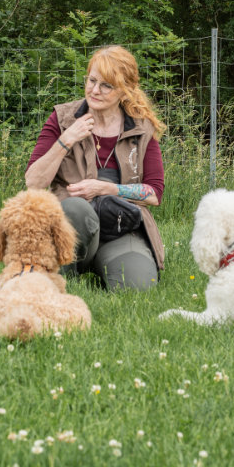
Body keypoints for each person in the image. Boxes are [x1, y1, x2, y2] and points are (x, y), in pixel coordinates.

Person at [24, 44, 166, 290]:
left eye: (106, 85)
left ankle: (105, 263)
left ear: (125, 91)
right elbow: (34, 182)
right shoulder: (63, 118)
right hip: (71, 227)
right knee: (77, 209)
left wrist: (106, 188)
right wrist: (67, 139)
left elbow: (154, 193)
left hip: (121, 228)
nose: (94, 90)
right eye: (91, 80)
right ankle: (64, 274)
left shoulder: (142, 128)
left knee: (138, 287)